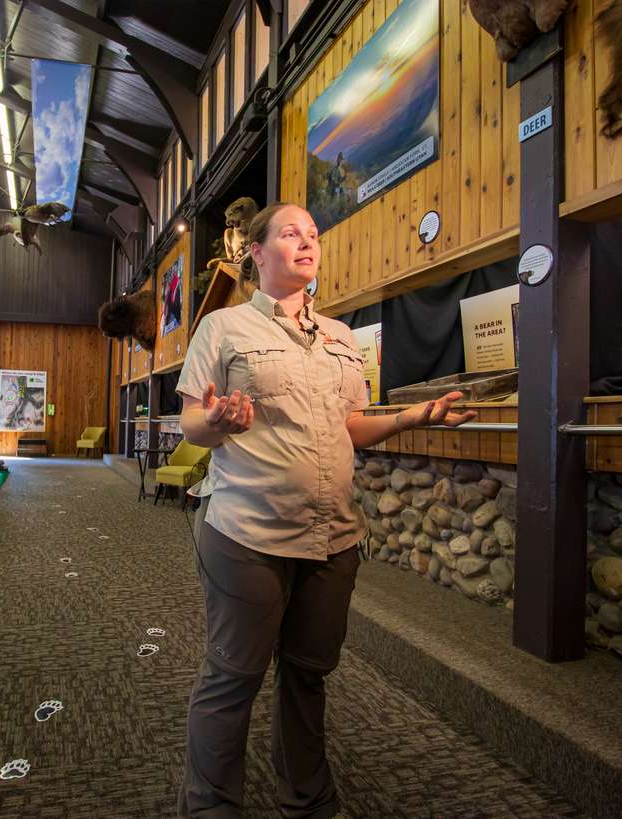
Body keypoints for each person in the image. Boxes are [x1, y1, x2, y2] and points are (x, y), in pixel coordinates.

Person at [176, 203, 475, 819]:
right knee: (234, 678)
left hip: (331, 540)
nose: (308, 242)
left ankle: (308, 800)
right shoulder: (223, 329)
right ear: (255, 254)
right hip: (247, 533)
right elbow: (192, 427)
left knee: (308, 676)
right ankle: (209, 807)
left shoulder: (341, 338)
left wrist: (412, 417)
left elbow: (350, 426)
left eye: (313, 234)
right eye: (291, 233)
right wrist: (215, 419)